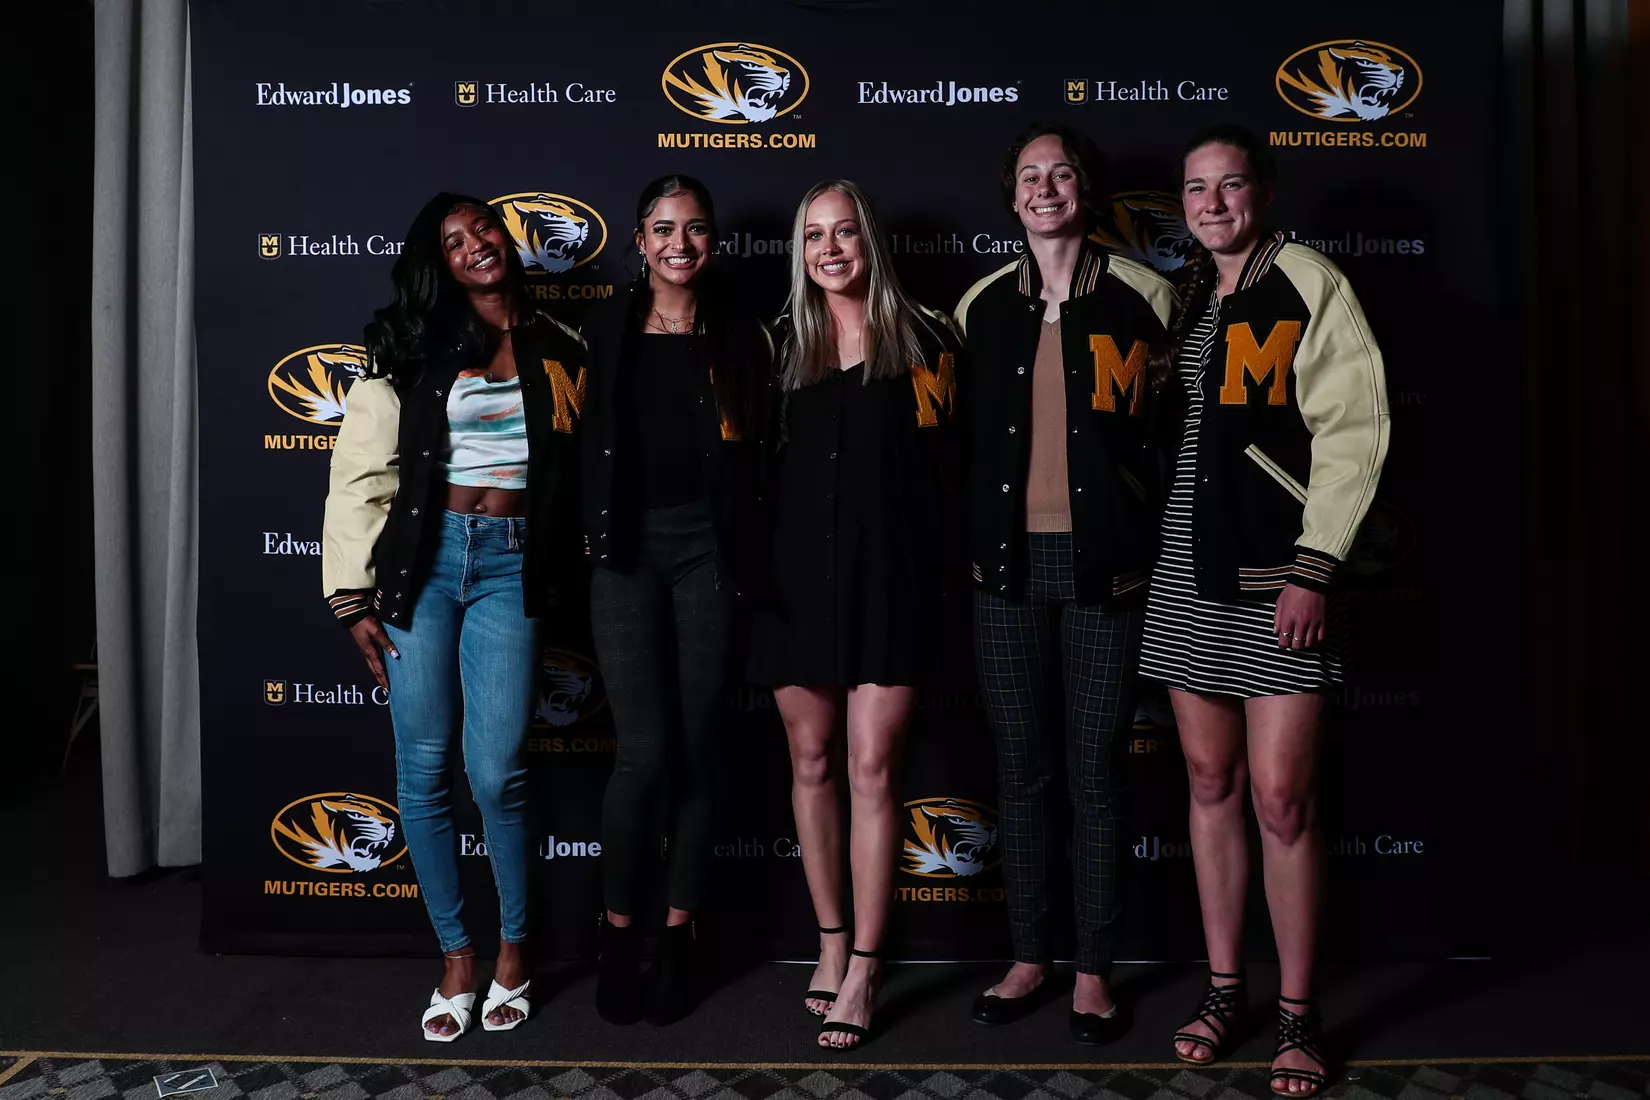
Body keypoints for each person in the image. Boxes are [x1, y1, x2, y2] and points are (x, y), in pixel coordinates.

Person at [1140, 124, 1389, 1096]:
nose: (1211, 203)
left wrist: (1314, 565)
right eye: (1196, 189)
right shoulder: (1191, 295)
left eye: (1229, 186)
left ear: (1265, 192)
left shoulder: (1309, 282)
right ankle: (1223, 989)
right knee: (1208, 783)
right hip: (1183, 573)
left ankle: (1297, 1011)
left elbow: (1355, 425)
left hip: (1279, 575)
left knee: (1281, 798)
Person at [321, 192, 587, 1042]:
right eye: (454, 241)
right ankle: (456, 956)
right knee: (424, 769)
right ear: (438, 261)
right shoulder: (412, 347)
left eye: (484, 230)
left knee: (498, 771)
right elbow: (362, 471)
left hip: (514, 567)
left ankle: (515, 949)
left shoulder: (563, 346)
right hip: (423, 570)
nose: (475, 245)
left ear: (508, 240)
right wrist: (351, 595)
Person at [953, 121, 1178, 1046]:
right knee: (1022, 771)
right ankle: (1029, 957)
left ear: (1085, 190)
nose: (1045, 188)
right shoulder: (981, 305)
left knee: (1095, 776)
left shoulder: (1146, 293)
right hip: (1003, 574)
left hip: (1106, 570)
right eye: (1029, 176)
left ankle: (1093, 970)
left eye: (1061, 174)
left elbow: (1180, 442)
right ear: (1012, 198)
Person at [748, 179, 964, 1051]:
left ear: (871, 240)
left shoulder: (928, 340)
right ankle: (830, 945)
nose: (830, 249)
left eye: (844, 233)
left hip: (891, 581)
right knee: (810, 759)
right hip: (794, 583)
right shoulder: (773, 349)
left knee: (874, 765)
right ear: (800, 253)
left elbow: (951, 472)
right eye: (813, 238)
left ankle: (870, 967)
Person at [581, 175, 771, 1026]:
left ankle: (678, 934)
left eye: (696, 229)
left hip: (710, 555)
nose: (680, 245)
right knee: (642, 753)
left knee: (697, 748)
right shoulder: (603, 327)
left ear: (714, 240)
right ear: (638, 238)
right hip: (623, 555)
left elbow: (766, 458)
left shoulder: (745, 335)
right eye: (664, 229)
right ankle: (619, 934)